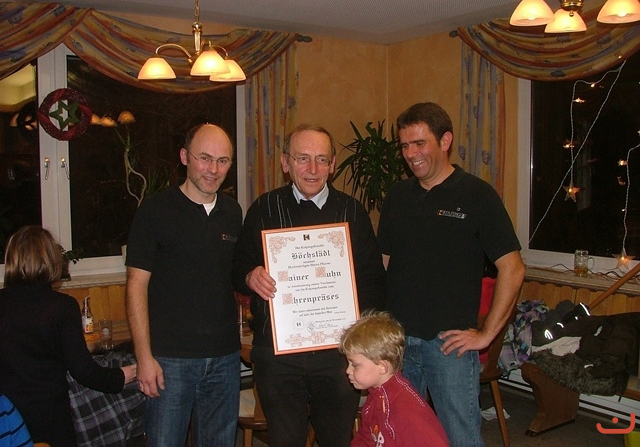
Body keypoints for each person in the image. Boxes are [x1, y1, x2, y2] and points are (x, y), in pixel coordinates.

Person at [377, 102, 525, 446]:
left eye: (419, 143)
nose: (410, 154)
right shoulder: (397, 196)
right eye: (405, 145)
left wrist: (486, 334)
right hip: (398, 343)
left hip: (450, 347)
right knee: (402, 437)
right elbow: (384, 262)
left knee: (460, 438)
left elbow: (513, 268)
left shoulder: (477, 195)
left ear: (445, 141)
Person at [232, 124, 386, 447]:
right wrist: (250, 276)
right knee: (285, 440)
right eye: (303, 158)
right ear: (286, 163)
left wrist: (359, 337)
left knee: (336, 439)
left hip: (338, 356)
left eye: (321, 159)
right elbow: (237, 269)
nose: (313, 169)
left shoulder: (352, 212)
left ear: (332, 165)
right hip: (278, 356)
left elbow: (373, 282)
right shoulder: (263, 209)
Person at [126, 123, 243, 447]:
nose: (213, 169)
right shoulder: (154, 211)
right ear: (184, 157)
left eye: (222, 161)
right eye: (205, 158)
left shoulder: (233, 212)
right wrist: (144, 357)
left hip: (225, 357)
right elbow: (135, 285)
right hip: (169, 361)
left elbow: (236, 274)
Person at [0, 225, 137, 446]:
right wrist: (121, 377)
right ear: (50, 260)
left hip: (6, 417)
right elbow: (83, 370)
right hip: (50, 416)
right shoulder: (61, 307)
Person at [340, 311, 449, 447]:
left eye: (355, 365)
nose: (348, 370)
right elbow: (365, 439)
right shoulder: (375, 398)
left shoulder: (408, 411)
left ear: (382, 367)